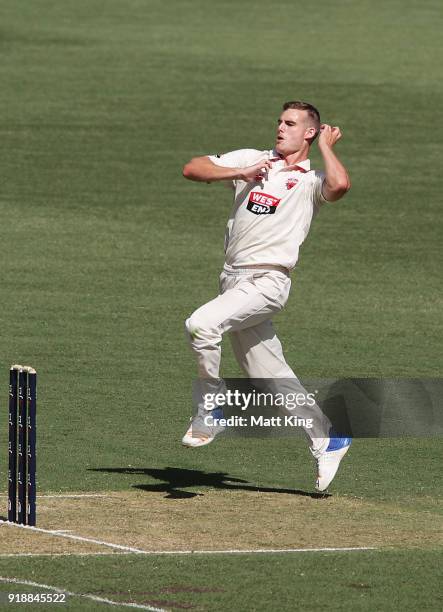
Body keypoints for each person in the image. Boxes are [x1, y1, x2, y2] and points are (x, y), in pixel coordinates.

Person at [181, 101, 352, 491]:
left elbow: (340, 186)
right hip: (232, 280)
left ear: (310, 132)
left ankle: (211, 408)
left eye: (290, 124)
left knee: (201, 324)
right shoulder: (253, 159)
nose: (280, 128)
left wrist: (328, 147)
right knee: (269, 375)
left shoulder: (311, 181)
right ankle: (328, 436)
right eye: (279, 121)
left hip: (268, 282)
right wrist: (240, 172)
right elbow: (191, 168)